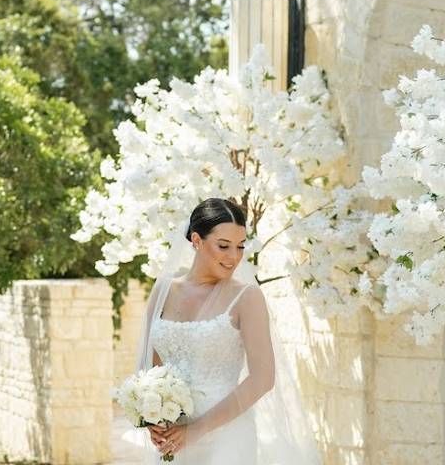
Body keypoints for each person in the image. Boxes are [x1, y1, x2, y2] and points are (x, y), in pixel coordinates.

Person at [130, 197, 321, 464]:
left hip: (227, 434)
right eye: (223, 246)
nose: (234, 257)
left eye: (240, 247)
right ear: (196, 240)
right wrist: (154, 419)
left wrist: (197, 430)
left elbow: (262, 379)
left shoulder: (246, 297)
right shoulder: (163, 291)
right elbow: (151, 369)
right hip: (172, 437)